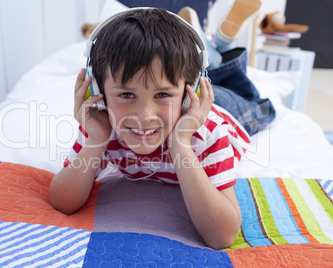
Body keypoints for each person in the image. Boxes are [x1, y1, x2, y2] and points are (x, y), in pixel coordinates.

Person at [50, 3, 275, 250]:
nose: (144, 116)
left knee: (258, 105)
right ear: (98, 92)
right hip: (181, 92)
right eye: (126, 95)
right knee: (192, 72)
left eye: (161, 95)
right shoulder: (102, 125)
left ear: (191, 96)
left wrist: (180, 145)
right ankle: (213, 45)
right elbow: (63, 202)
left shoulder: (207, 132)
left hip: (228, 108)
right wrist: (96, 141)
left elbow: (222, 237)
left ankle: (221, 44)